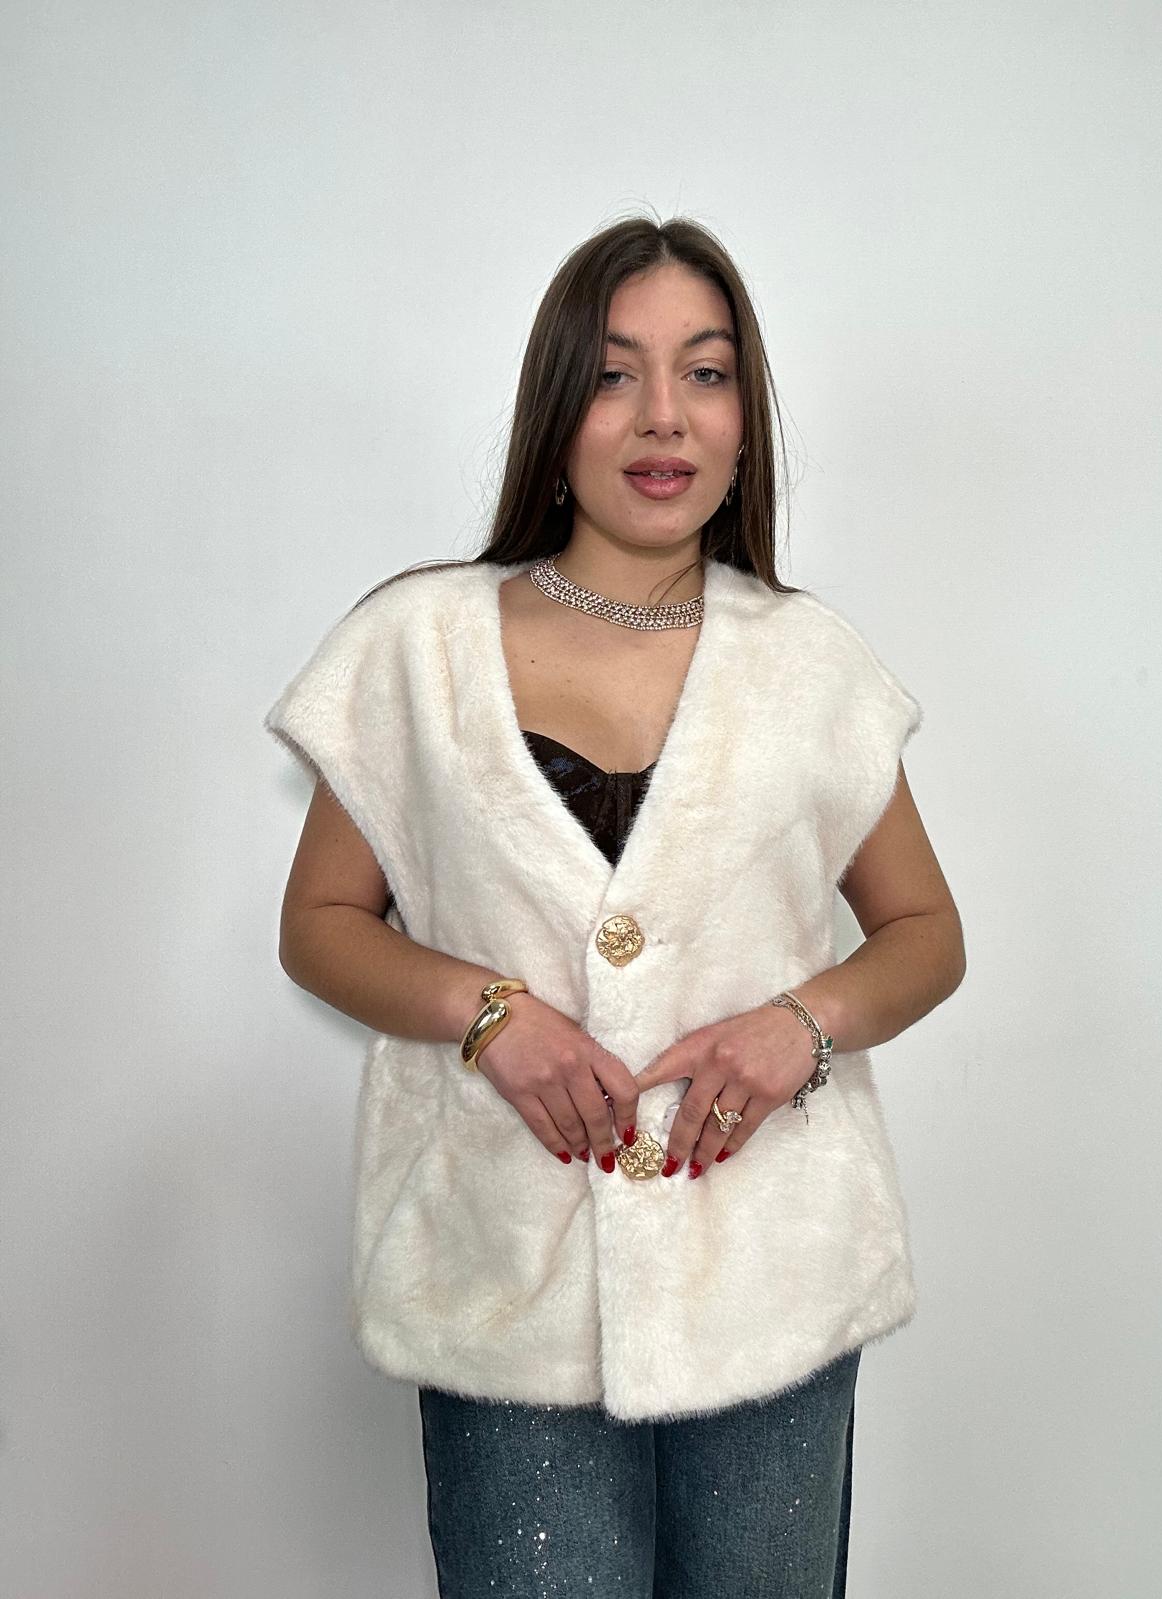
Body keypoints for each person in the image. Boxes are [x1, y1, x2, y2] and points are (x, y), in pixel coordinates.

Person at [265, 215, 966, 1598]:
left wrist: (800, 1025)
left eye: (705, 374)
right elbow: (322, 923)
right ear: (555, 412)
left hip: (770, 1272)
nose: (663, 416)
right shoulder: (419, 644)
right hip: (504, 1282)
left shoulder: (811, 664)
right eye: (612, 374)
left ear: (745, 423)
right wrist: (488, 1014)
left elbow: (925, 935)